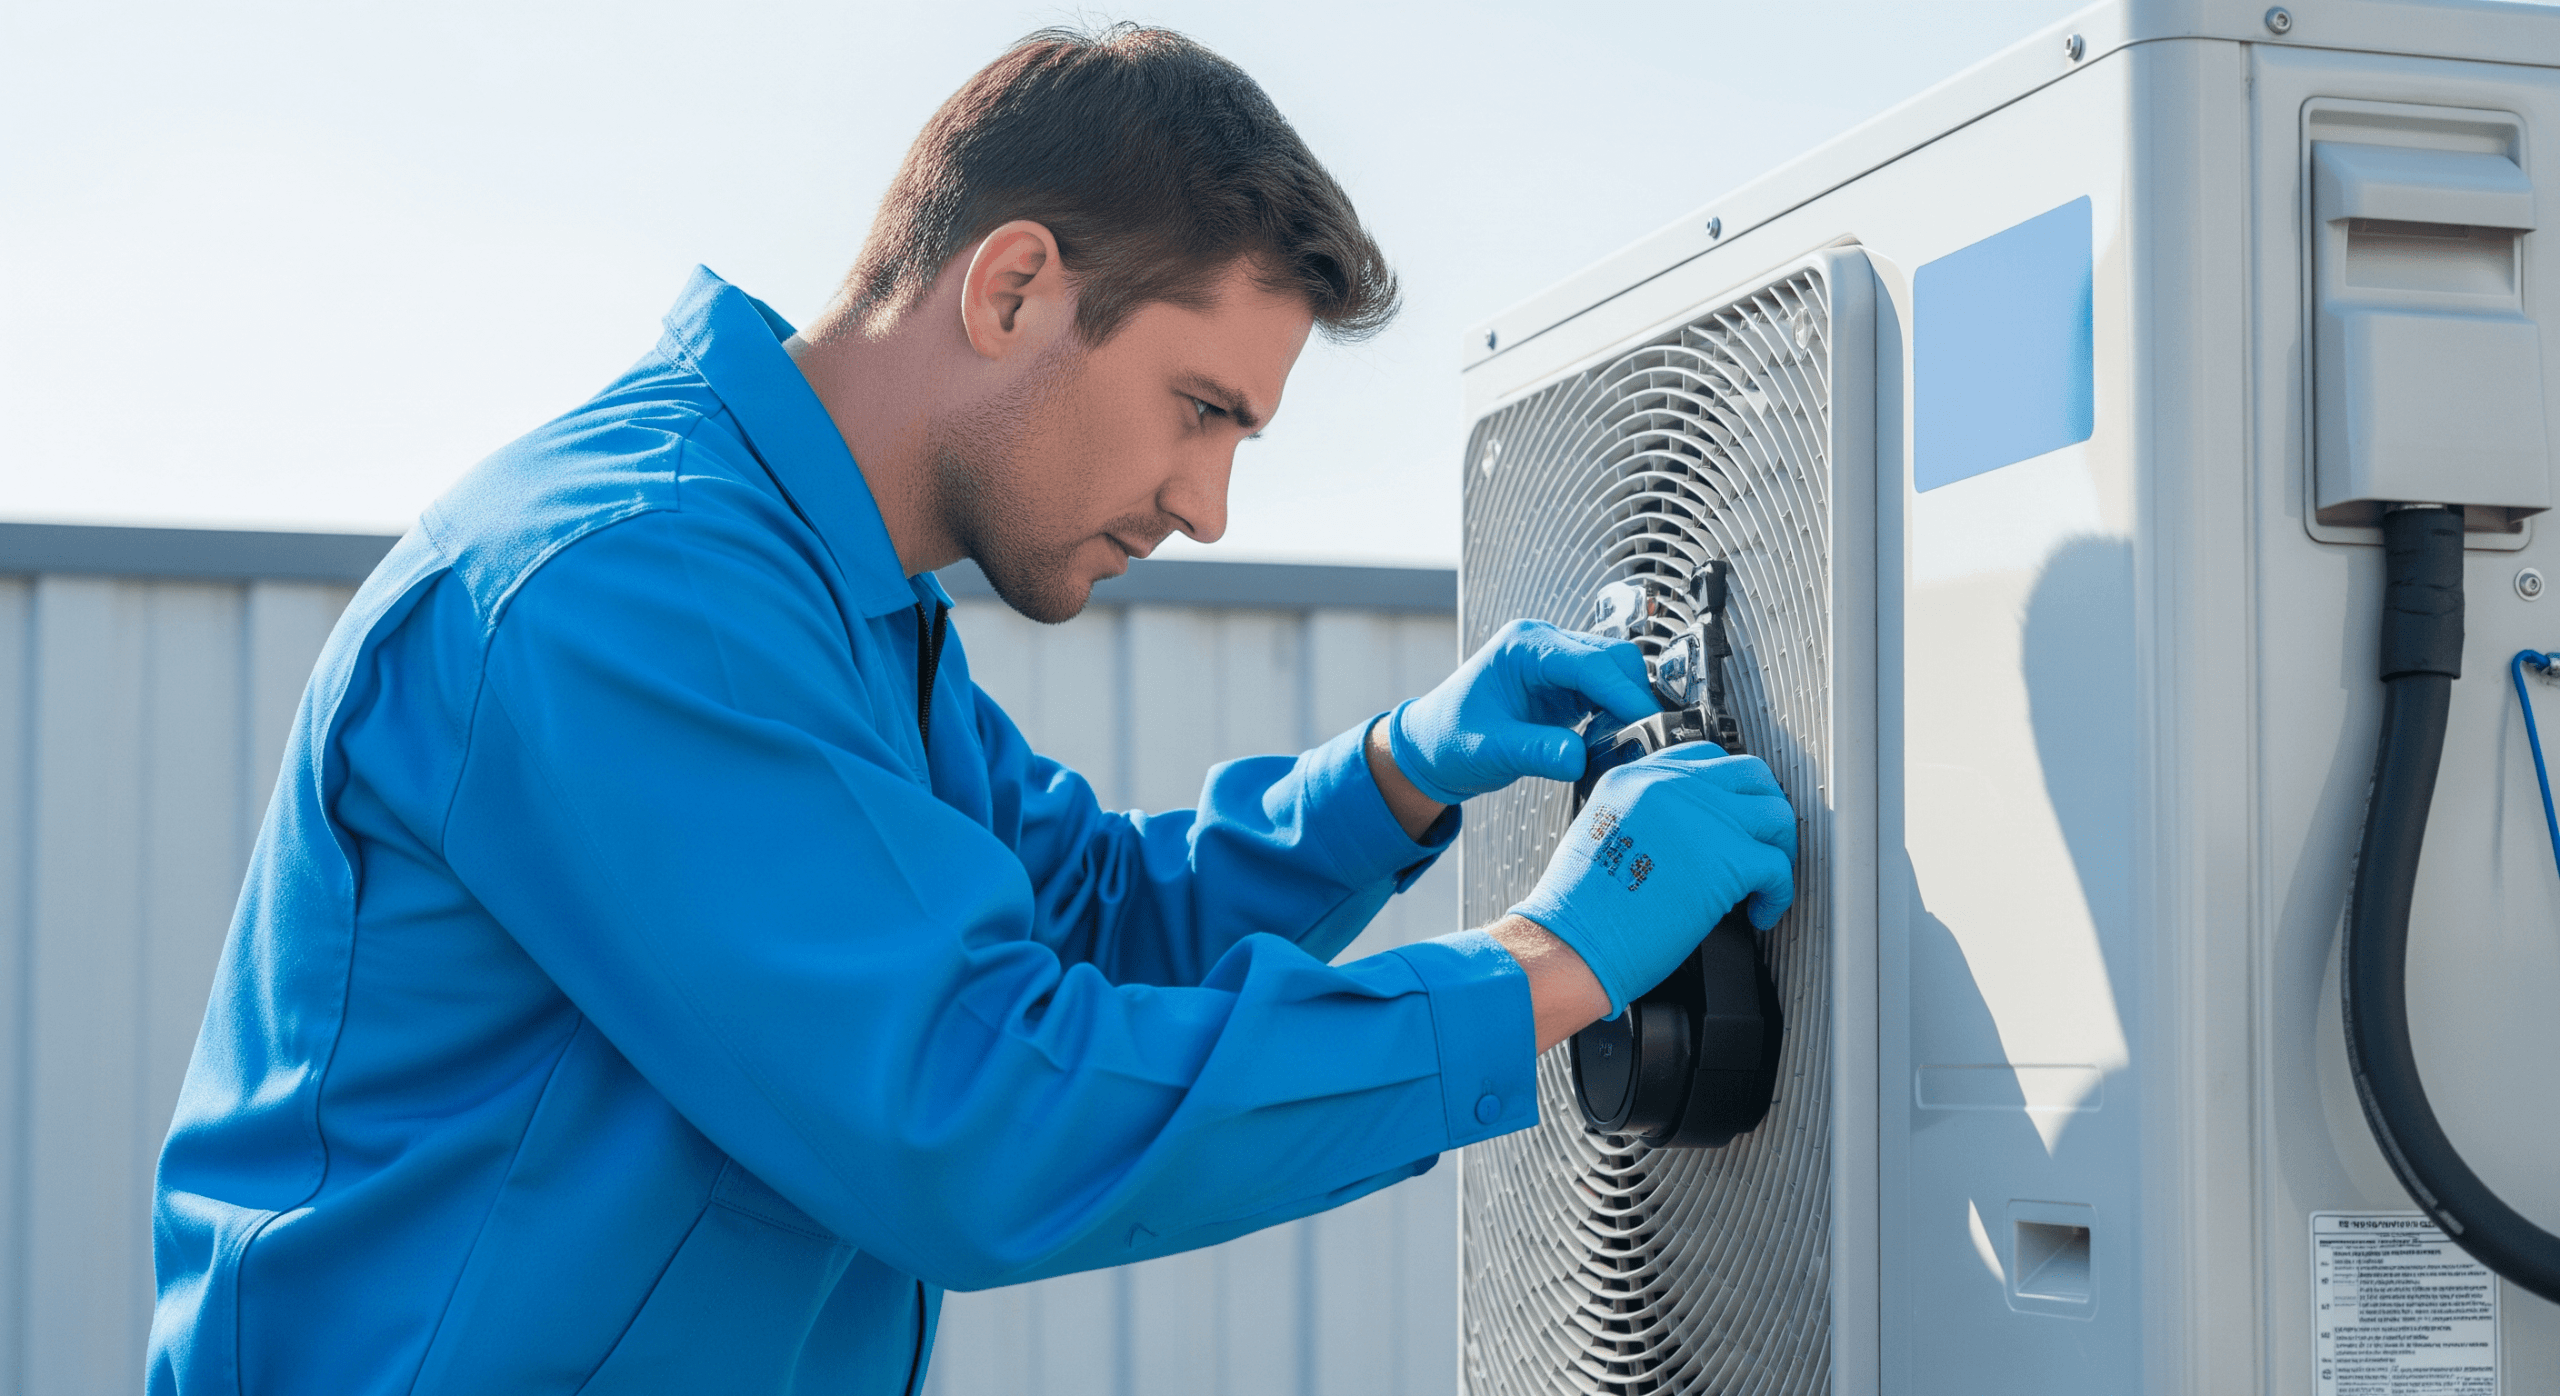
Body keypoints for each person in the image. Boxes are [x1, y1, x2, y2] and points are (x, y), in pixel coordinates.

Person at [148, 23, 1798, 1396]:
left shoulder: (830, 606)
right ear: (1011, 289)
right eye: (1199, 408)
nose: (1210, 504)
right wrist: (1552, 967)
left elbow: (1084, 919)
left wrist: (1400, 775)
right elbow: (975, 1110)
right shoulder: (624, 593)